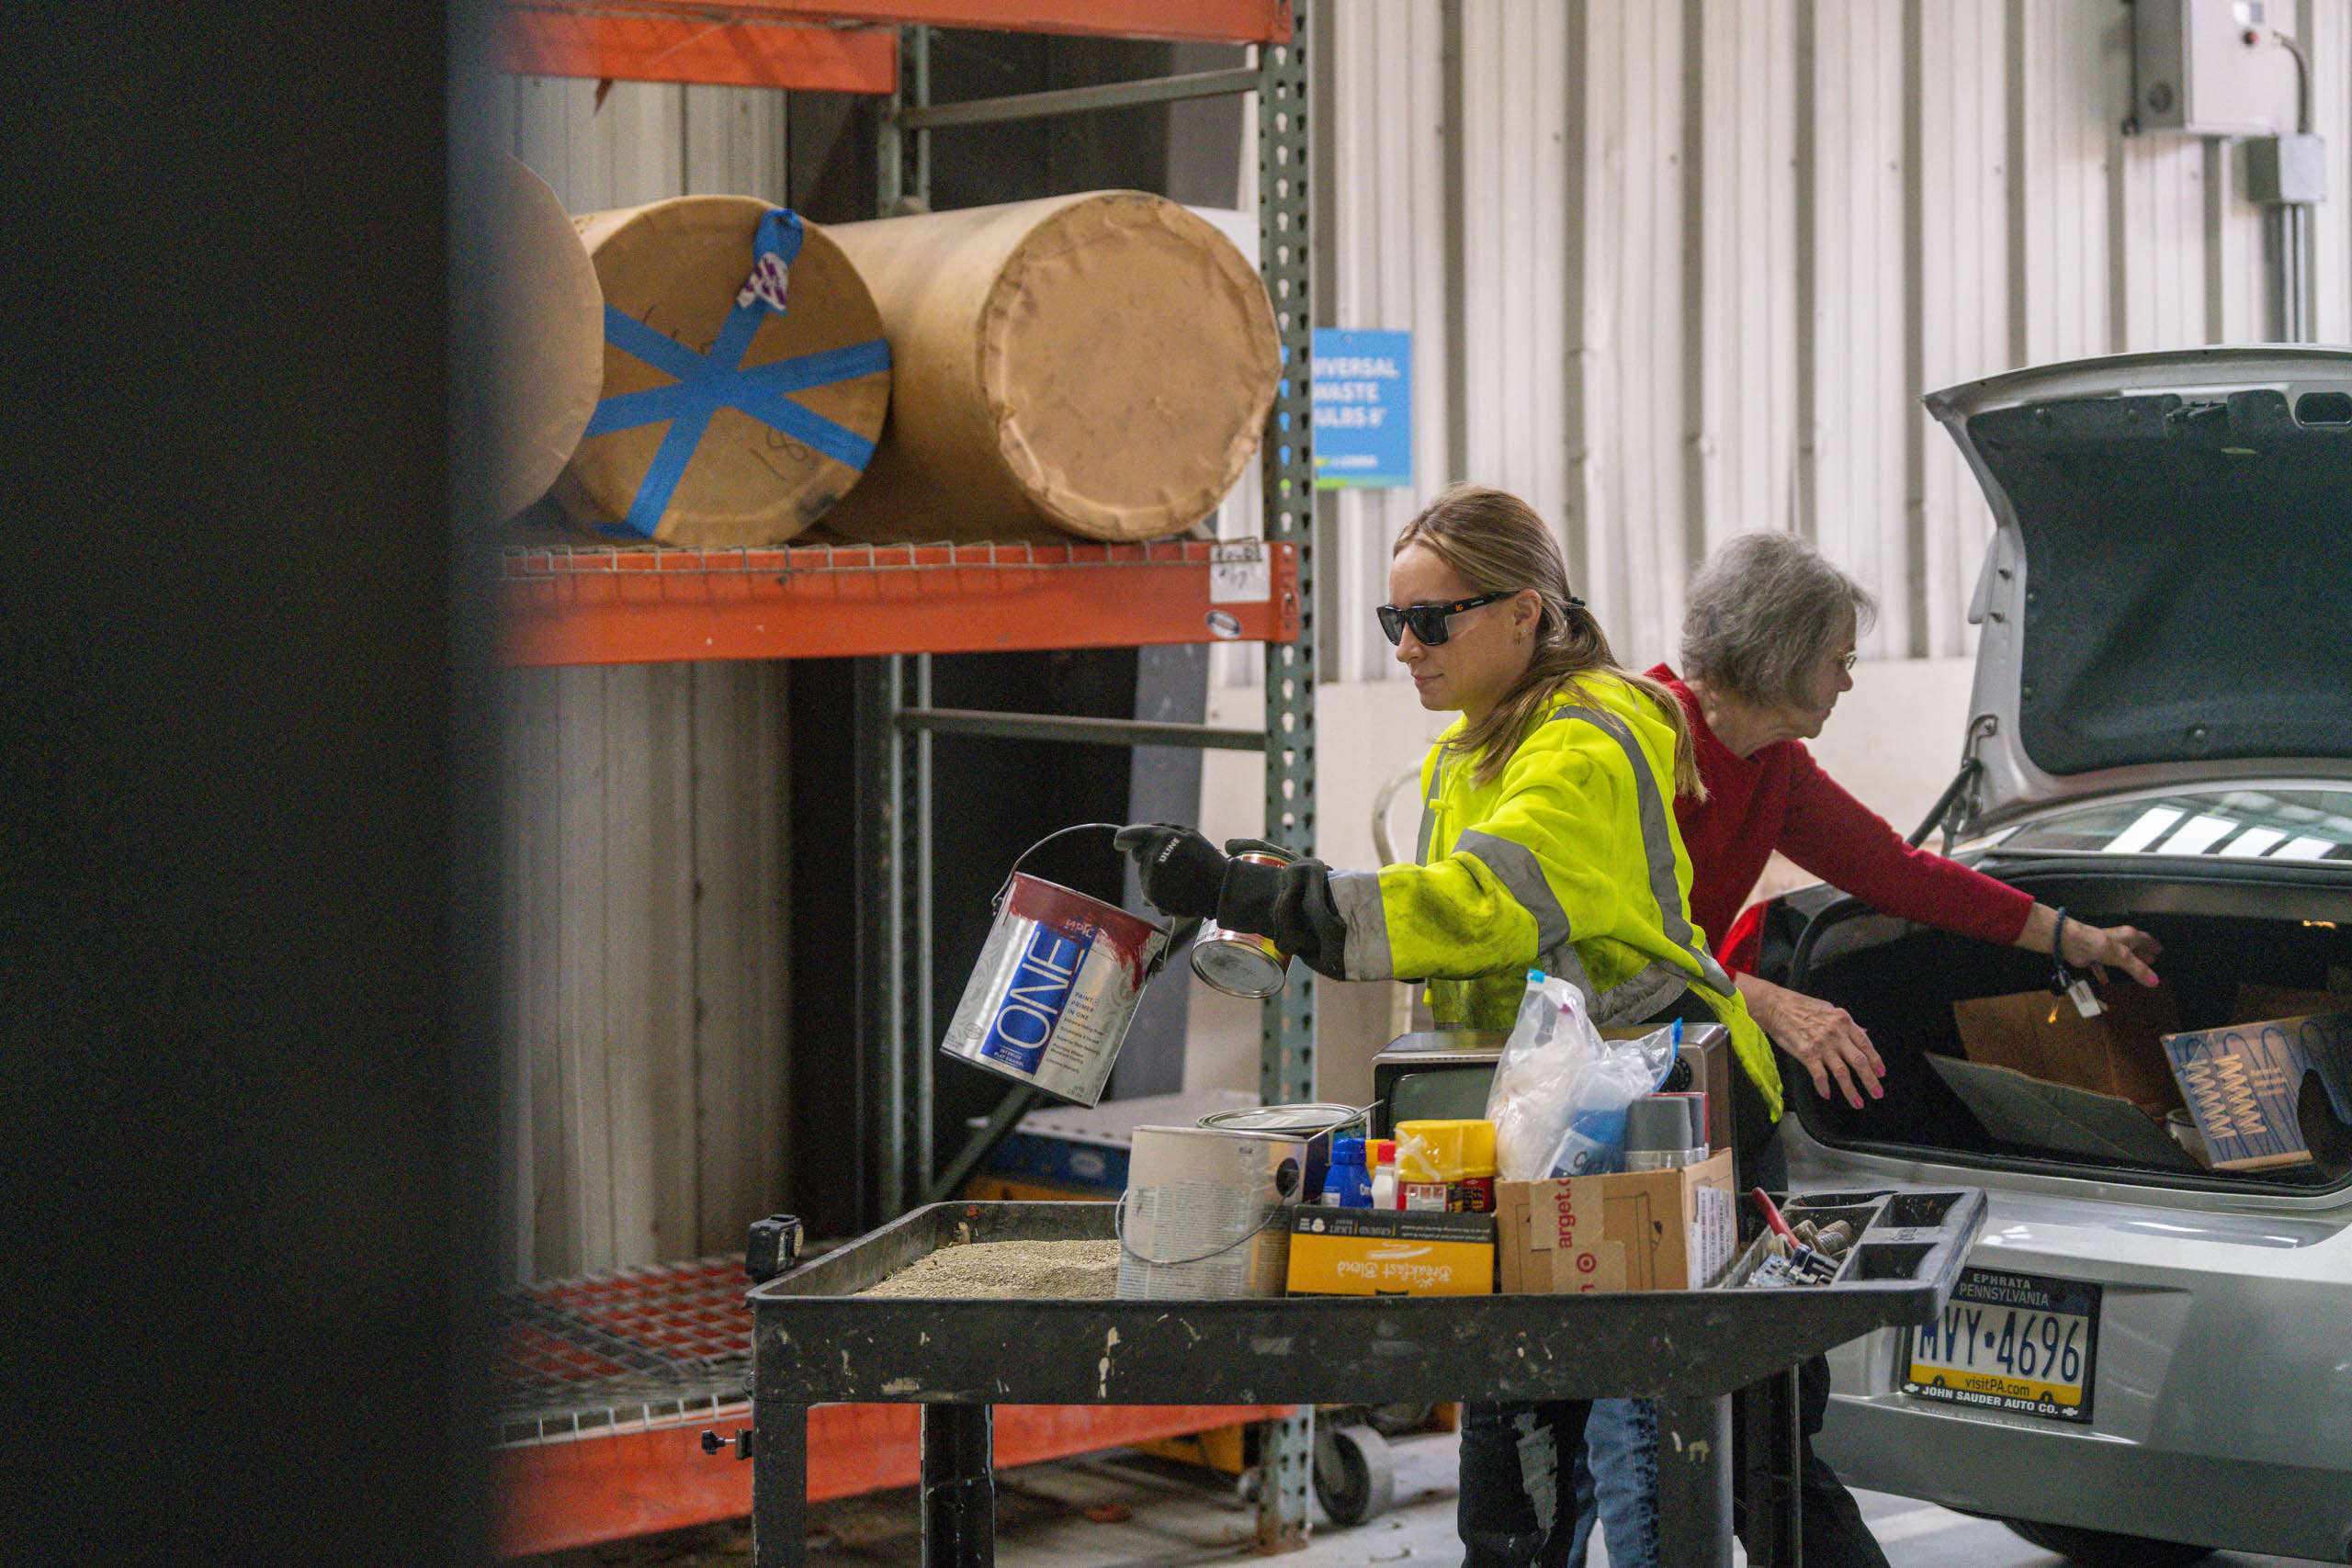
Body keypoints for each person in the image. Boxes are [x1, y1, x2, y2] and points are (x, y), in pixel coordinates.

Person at [1116, 483, 1783, 1568]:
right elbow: (1441, 917)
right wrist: (1291, 890)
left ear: (1525, 612)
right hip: (1547, 1128)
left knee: (1655, 1480)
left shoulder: (1589, 741)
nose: (1408, 648)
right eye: (1394, 623)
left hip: (1654, 1119)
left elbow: (1477, 906)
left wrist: (1268, 902)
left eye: (1433, 621)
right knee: (1510, 1497)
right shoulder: (1467, 753)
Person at [1566, 530, 2166, 1568]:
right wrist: (1767, 1002)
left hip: (1691, 1076)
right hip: (1597, 1091)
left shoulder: (1774, 768)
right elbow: (1606, 935)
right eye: (1837, 654)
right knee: (1635, 1394)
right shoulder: (1636, 735)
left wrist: (2069, 937)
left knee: (1750, 1375)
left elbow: (1899, 873)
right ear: (1780, 648)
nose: (1849, 675)